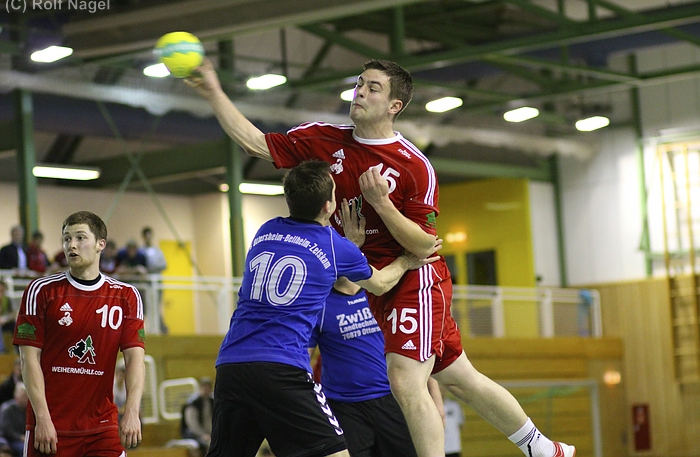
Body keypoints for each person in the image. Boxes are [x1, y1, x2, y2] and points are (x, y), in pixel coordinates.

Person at [189, 58, 575, 457]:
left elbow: (424, 246)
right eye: (359, 83)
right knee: (460, 379)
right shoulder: (323, 140)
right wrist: (214, 92)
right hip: (377, 284)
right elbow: (256, 143)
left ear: (395, 105)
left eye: (373, 88)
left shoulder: (413, 165)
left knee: (404, 380)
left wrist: (382, 204)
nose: (359, 92)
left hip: (416, 279)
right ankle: (544, 449)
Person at [207, 161, 439, 457]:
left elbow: (306, 249)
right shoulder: (333, 245)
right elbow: (380, 284)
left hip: (231, 364)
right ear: (329, 205)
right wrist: (406, 260)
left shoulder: (266, 231)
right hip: (282, 366)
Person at [308, 201, 441, 457]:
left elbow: (418, 350)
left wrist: (435, 400)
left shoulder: (384, 292)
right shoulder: (319, 304)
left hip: (392, 400)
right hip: (344, 409)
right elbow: (303, 362)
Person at [13, 210, 146, 456]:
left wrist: (132, 411)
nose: (71, 245)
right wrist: (42, 418)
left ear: (100, 244)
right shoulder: (40, 291)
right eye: (66, 238)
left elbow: (135, 359)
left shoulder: (126, 296)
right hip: (51, 427)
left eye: (80, 238)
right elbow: (28, 360)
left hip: (102, 427)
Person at [141, 227, 168, 334]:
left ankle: (161, 328)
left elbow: (164, 265)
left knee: (156, 305)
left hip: (156, 282)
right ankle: (146, 330)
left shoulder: (157, 251)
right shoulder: (141, 251)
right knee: (145, 307)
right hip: (145, 283)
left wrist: (151, 268)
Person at [181, 377, 214, 456]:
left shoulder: (212, 402)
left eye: (208, 388)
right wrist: (202, 435)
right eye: (204, 388)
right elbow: (192, 424)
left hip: (209, 434)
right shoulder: (193, 404)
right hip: (193, 435)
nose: (206, 390)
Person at [0, 381, 28, 456]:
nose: (25, 399)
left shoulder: (30, 410)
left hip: (25, 439)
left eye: (27, 396)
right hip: (9, 440)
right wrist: (20, 437)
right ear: (16, 396)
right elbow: (6, 430)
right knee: (24, 449)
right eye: (23, 396)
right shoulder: (7, 409)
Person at [443, 392, 464, 457]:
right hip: (437, 449)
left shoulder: (454, 405)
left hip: (453, 448)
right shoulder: (430, 407)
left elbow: (461, 425)